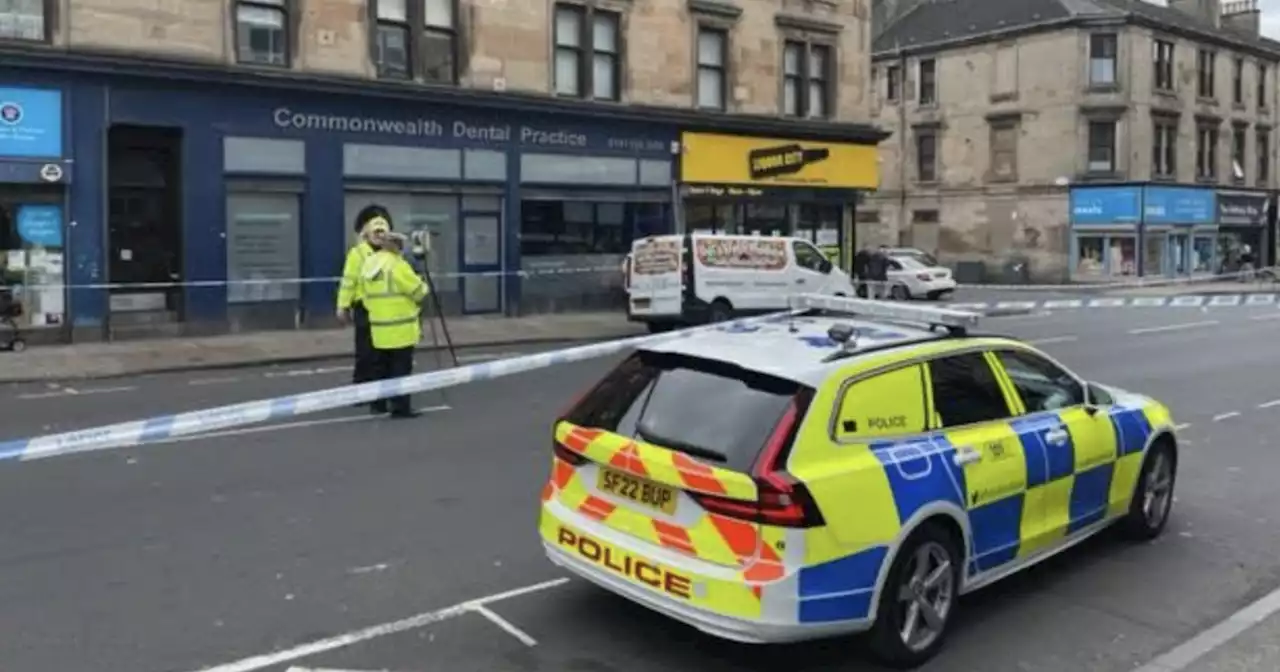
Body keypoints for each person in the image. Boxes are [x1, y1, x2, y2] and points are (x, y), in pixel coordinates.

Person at [358, 229, 430, 418]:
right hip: (401, 328)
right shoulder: (397, 265)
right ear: (396, 246)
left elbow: (364, 296)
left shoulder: (369, 264)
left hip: (379, 327)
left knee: (380, 367)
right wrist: (423, 285)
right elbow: (417, 291)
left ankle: (378, 403)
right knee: (400, 370)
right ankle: (400, 407)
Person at [337, 206, 394, 393]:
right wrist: (343, 306)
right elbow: (349, 281)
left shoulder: (391, 252)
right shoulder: (358, 253)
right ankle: (361, 388)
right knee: (365, 350)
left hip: (386, 308)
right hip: (364, 308)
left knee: (383, 352)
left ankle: (381, 389)